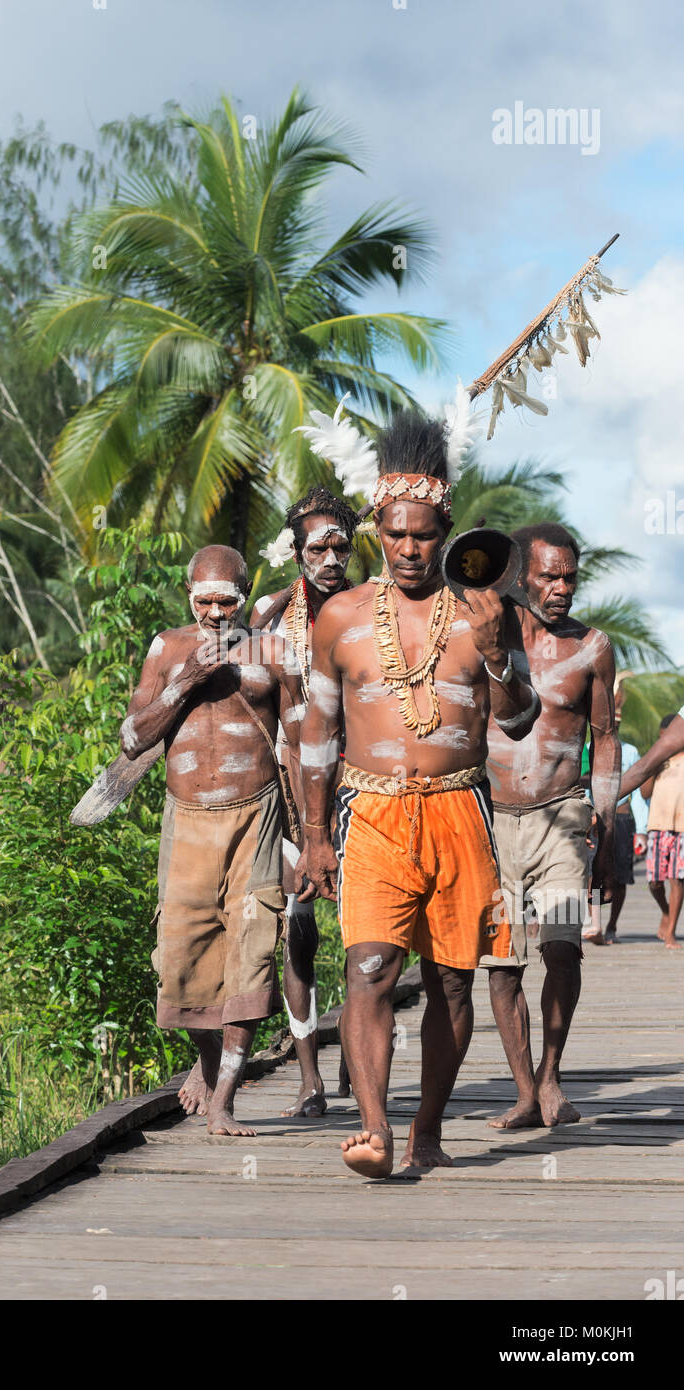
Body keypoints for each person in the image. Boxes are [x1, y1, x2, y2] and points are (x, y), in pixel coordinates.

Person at [299, 414, 538, 1179]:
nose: (408, 549)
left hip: (459, 809)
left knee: (451, 982)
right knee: (368, 968)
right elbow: (312, 737)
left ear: (445, 530)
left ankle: (425, 1130)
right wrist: (313, 835)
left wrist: (498, 651)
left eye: (423, 535)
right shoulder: (338, 618)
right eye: (395, 534)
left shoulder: (484, 615)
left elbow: (522, 718)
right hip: (368, 812)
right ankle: (373, 1129)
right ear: (376, 528)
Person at [120, 545, 305, 1136]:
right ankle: (206, 1062)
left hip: (258, 815)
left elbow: (300, 749)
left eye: (227, 601)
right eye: (205, 601)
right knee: (181, 957)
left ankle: (225, 1097)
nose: (216, 613)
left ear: (245, 597)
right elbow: (131, 738)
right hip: (188, 819)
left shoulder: (274, 652)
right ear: (189, 596)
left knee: (252, 951)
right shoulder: (166, 648)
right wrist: (185, 684)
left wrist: (310, 838)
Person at [481, 523, 620, 1131]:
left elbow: (606, 738)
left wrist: (607, 823)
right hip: (491, 823)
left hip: (562, 817)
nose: (562, 588)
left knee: (562, 950)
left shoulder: (591, 648)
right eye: (549, 576)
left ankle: (552, 1077)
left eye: (570, 577)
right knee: (502, 962)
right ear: (519, 575)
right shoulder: (484, 639)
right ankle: (523, 1091)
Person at [251, 486, 359, 1118]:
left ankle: (358, 1048)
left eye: (340, 545)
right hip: (293, 790)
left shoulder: (372, 610)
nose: (329, 557)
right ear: (295, 551)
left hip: (359, 784)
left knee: (362, 929)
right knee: (299, 926)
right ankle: (309, 1078)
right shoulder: (266, 616)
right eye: (317, 546)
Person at [581, 676, 649, 945]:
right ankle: (593, 922)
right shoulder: (588, 749)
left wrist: (642, 831)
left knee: (620, 876)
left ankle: (611, 926)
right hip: (593, 819)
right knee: (590, 873)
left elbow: (637, 798)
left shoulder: (630, 751)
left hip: (621, 820)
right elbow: (584, 788)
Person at [640, 714, 684, 950]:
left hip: (682, 828)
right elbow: (645, 793)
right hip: (658, 826)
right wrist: (654, 767)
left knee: (677, 880)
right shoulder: (659, 761)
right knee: (655, 882)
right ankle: (666, 912)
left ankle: (671, 932)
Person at [619, 705, 684, 797]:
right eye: (660, 737)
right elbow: (645, 794)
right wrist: (655, 770)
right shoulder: (659, 761)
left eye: (665, 737)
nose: (662, 741)